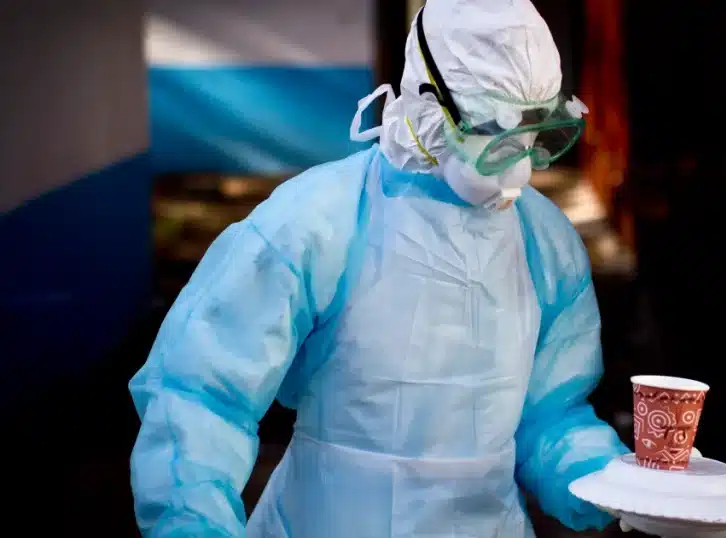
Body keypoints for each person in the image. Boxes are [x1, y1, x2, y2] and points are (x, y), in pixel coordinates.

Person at [128, 1, 629, 536]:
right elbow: (201, 396)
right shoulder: (318, 222)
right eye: (497, 136)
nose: (520, 168)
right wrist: (192, 522)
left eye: (535, 136)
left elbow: (550, 414)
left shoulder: (543, 241)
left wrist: (611, 483)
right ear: (429, 109)